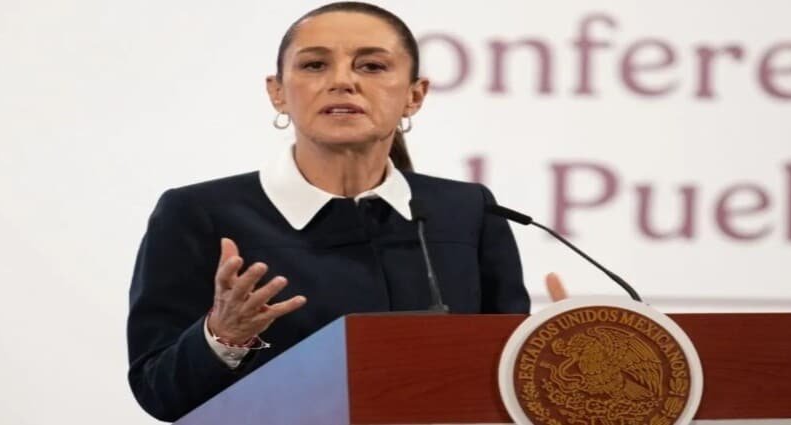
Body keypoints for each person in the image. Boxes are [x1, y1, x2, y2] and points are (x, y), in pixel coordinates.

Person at [126, 2, 533, 422]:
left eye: (372, 66)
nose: (342, 81)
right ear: (277, 92)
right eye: (315, 65)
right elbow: (158, 392)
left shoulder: (467, 211)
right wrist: (222, 337)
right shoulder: (200, 214)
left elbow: (509, 375)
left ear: (415, 96)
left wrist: (555, 344)